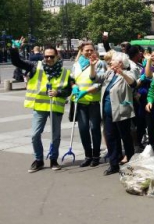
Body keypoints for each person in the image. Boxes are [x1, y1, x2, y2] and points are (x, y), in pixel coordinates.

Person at [10, 38, 72, 172]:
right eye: (46, 56)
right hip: (39, 107)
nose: (48, 59)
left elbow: (69, 90)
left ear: (57, 56)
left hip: (55, 107)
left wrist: (58, 92)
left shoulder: (65, 72)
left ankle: (54, 160)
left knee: (55, 136)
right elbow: (17, 62)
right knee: (35, 135)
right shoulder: (35, 66)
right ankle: (39, 160)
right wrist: (15, 49)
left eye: (51, 56)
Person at [90, 52, 137, 176]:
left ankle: (131, 164)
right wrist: (92, 67)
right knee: (111, 138)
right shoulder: (110, 73)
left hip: (121, 112)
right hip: (107, 112)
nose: (111, 62)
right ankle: (114, 164)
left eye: (113, 60)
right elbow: (95, 78)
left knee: (125, 138)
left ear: (120, 63)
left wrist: (121, 73)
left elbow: (133, 83)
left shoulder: (128, 72)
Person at [71, 41, 105, 167]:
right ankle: (87, 155)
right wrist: (74, 87)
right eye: (87, 50)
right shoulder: (76, 64)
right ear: (82, 50)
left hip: (93, 102)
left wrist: (85, 92)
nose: (90, 52)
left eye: (92, 50)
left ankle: (96, 156)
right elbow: (72, 79)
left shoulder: (100, 63)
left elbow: (99, 83)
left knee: (94, 129)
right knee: (83, 129)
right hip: (80, 102)